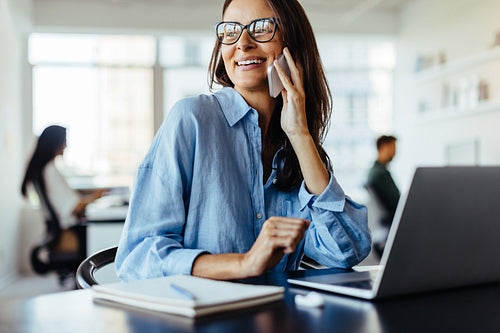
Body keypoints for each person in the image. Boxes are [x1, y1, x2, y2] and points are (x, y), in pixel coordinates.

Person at [115, 0, 371, 282]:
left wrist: (300, 135)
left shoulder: (294, 146)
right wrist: (243, 264)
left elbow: (348, 249)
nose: (243, 42)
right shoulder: (192, 119)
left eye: (261, 28)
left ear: (293, 45)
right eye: (230, 30)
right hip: (200, 317)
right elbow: (137, 258)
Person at [21, 125, 103, 229]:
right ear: (55, 143)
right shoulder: (50, 171)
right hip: (69, 230)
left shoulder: (45, 170)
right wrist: (96, 197)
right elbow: (74, 207)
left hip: (58, 229)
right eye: (64, 141)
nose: (66, 146)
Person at [366, 135, 400, 228]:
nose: (395, 153)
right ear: (384, 147)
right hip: (393, 223)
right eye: (393, 148)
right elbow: (397, 202)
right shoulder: (381, 174)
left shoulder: (374, 171)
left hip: (385, 224)